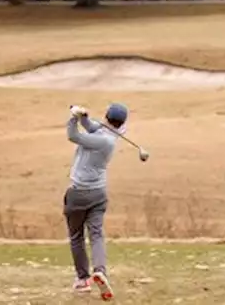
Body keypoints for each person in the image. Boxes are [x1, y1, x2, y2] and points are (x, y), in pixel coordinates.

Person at [65, 102, 128, 301]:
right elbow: (93, 127)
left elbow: (73, 136)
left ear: (107, 116)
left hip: (79, 193)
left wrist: (73, 119)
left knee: (76, 236)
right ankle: (100, 272)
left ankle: (83, 280)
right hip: (99, 194)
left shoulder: (102, 140)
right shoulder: (111, 134)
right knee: (96, 234)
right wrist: (84, 116)